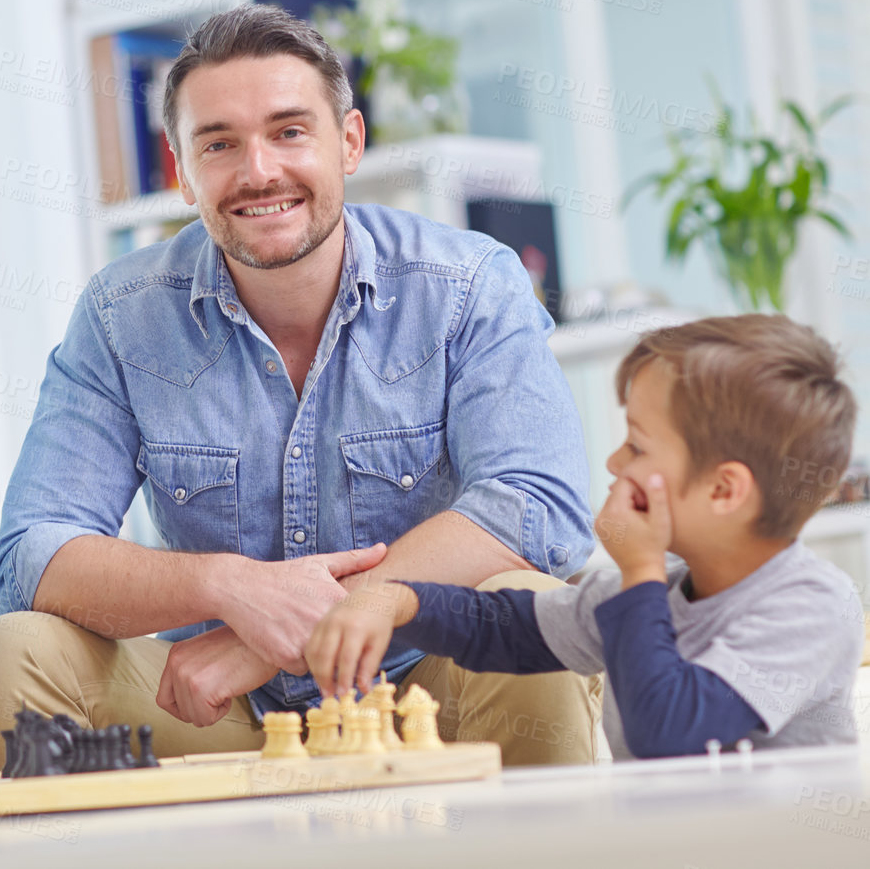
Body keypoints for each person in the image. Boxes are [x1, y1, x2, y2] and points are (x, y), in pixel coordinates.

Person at [0, 3, 600, 773]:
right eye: (219, 144)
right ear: (183, 171)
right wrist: (230, 590)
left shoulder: (468, 285)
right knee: (5, 661)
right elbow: (32, 554)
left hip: (423, 685)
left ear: (348, 142)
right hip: (213, 708)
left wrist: (326, 619)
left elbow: (537, 503)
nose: (258, 172)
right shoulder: (121, 315)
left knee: (528, 613)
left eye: (290, 132)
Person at [307, 315, 863, 758]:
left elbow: (669, 733)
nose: (614, 460)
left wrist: (641, 569)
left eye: (639, 448)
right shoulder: (650, 595)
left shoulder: (812, 607)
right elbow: (505, 628)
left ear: (724, 491)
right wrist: (396, 599)